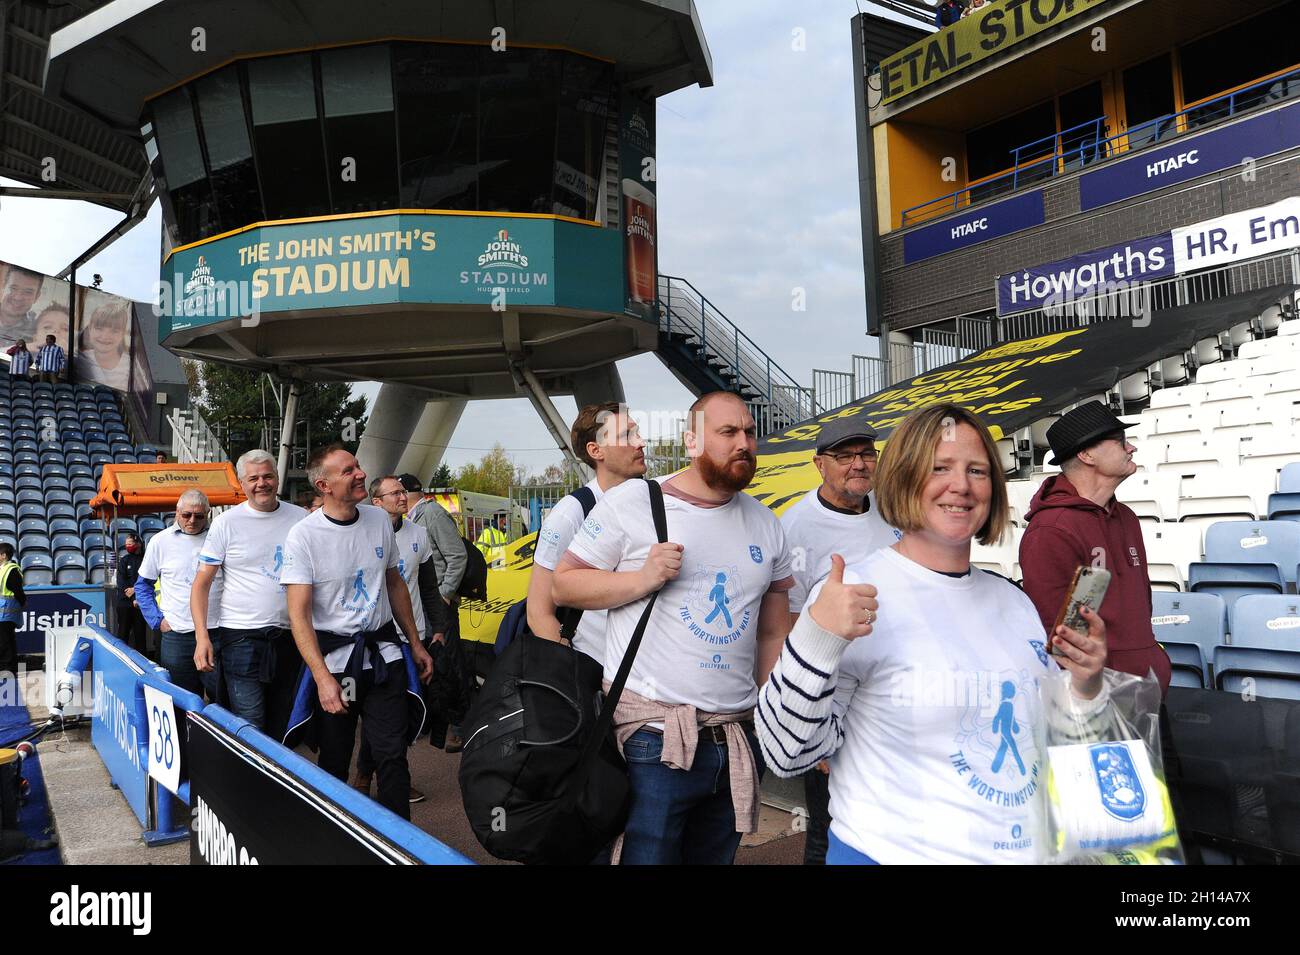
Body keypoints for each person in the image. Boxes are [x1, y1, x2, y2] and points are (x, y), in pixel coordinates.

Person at [756, 404, 1108, 864]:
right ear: (903, 479)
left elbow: (1053, 732)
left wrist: (1085, 683)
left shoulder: (1015, 601)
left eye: (977, 470)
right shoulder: (854, 592)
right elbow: (786, 753)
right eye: (939, 468)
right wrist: (817, 636)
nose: (960, 485)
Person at [553, 391, 794, 865]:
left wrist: (774, 715)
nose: (743, 442)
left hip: (737, 737)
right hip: (653, 739)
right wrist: (642, 578)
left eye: (749, 432)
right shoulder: (635, 503)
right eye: (727, 432)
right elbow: (564, 586)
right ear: (691, 441)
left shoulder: (766, 524)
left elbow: (771, 634)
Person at [281, 445, 434, 820]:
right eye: (348, 470)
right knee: (335, 758)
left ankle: (402, 844)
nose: (360, 473)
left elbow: (394, 582)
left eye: (358, 466)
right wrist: (321, 678)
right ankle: (335, 841)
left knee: (391, 753)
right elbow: (298, 615)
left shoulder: (379, 520)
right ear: (324, 484)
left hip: (384, 655)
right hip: (336, 664)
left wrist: (415, 642)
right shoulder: (304, 537)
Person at [778, 417, 899, 865]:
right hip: (836, 698)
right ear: (819, 465)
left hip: (891, 691)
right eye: (844, 455)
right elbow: (789, 626)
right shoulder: (796, 526)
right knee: (827, 829)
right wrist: (812, 719)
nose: (858, 464)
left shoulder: (892, 510)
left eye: (866, 453)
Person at [1019, 402, 1171, 694]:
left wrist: (1154, 661)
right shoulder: (1051, 530)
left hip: (1147, 693)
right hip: (1098, 700)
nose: (1131, 448)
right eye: (1119, 441)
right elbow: (1058, 634)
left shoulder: (1126, 517)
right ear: (1086, 454)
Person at [191, 450, 306, 733]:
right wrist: (202, 637)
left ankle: (275, 776)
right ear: (242, 483)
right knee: (250, 722)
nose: (261, 483)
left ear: (278, 479)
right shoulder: (226, 523)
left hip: (292, 636)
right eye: (253, 478)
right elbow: (201, 584)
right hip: (240, 637)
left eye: (268, 476)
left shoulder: (302, 519)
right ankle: (252, 776)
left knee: (285, 719)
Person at [351, 475, 448, 803]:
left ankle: (374, 774)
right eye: (394, 493)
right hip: (377, 638)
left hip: (412, 636)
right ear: (376, 501)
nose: (403, 497)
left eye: (403, 492)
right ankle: (372, 776)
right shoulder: (364, 533)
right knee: (385, 715)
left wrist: (438, 628)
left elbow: (429, 587)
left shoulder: (419, 534)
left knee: (405, 711)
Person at [527, 401, 647, 662]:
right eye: (627, 435)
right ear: (596, 450)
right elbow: (538, 611)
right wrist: (569, 666)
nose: (641, 442)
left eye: (637, 432)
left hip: (645, 671)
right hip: (594, 670)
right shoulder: (570, 513)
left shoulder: (653, 503)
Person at [134, 489, 222, 697]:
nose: (192, 520)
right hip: (177, 636)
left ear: (208, 514)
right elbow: (143, 586)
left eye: (199, 516)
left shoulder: (220, 538)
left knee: (222, 700)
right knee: (180, 701)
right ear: (177, 512)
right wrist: (157, 621)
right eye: (187, 515)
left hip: (217, 633)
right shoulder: (160, 541)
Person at [404, 473, 467, 746]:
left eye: (398, 492)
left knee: (450, 664)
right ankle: (433, 719)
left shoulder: (432, 514)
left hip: (439, 605)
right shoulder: (410, 520)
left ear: (406, 493)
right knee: (432, 663)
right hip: (424, 605)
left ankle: (461, 725)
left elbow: (457, 556)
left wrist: (443, 595)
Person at [75, 302, 131, 390]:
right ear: (90, 329)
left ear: (123, 334)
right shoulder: (81, 358)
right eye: (99, 329)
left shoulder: (130, 366)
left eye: (114, 331)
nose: (105, 336)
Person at [113, 533, 147, 653]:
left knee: (140, 635)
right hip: (124, 603)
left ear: (138, 544)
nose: (127, 546)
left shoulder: (146, 559)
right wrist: (132, 596)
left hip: (141, 602)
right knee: (123, 634)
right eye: (126, 544)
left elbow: (148, 580)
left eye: (130, 544)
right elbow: (122, 583)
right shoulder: (124, 560)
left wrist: (136, 590)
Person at [0, 542, 26, 680]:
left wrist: (21, 603)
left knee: (6, 641)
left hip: (7, 611)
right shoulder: (2, 569)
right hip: (2, 611)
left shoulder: (11, 570)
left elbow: (18, 591)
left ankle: (8, 670)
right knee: (4, 641)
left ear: (4, 556)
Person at [0, 265, 41, 348]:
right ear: (3, 287)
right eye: (13, 288)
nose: (18, 297)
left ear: (36, 297)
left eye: (28, 292)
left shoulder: (36, 333)